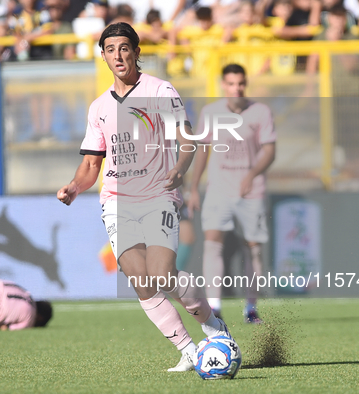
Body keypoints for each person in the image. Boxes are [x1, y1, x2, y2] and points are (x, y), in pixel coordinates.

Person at [57, 22, 230, 372]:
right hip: (117, 201)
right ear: (103, 56)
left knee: (163, 275)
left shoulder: (160, 90)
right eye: (110, 49)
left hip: (157, 195)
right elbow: (91, 163)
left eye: (124, 48)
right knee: (140, 279)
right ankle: (189, 351)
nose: (118, 55)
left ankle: (215, 328)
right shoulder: (99, 108)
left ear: (137, 52)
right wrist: (74, 187)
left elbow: (186, 142)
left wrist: (180, 169)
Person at [188, 63, 276, 324]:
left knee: (254, 249)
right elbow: (202, 150)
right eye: (231, 83)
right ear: (223, 85)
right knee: (213, 244)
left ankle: (251, 307)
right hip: (218, 189)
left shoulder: (260, 112)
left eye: (241, 83)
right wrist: (193, 187)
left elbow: (270, 151)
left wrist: (251, 174)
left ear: (245, 84)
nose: (236, 88)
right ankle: (214, 307)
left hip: (251, 191)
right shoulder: (210, 112)